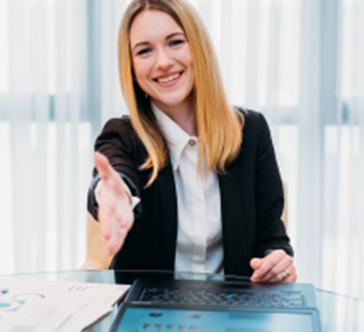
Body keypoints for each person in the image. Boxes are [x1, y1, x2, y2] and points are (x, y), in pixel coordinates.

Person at [87, 0, 297, 283]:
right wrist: (113, 195)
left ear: (198, 47)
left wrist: (277, 262)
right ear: (132, 67)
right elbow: (114, 175)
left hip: (233, 318)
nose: (162, 62)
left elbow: (272, 240)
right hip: (149, 319)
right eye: (144, 50)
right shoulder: (122, 135)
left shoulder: (251, 132)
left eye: (174, 42)